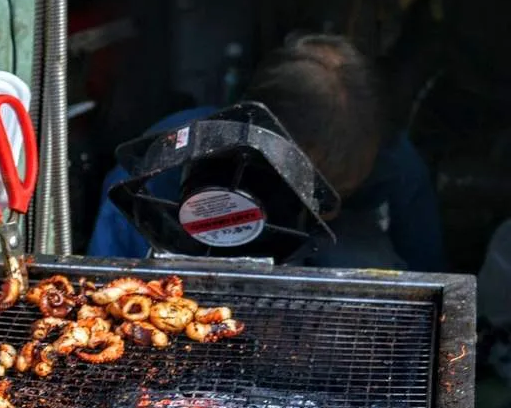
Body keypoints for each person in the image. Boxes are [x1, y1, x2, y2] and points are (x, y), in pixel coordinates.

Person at [88, 34, 447, 271]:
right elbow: (110, 282)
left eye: (341, 192)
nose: (327, 209)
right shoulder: (163, 164)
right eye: (314, 191)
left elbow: (430, 277)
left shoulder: (395, 163)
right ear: (257, 135)